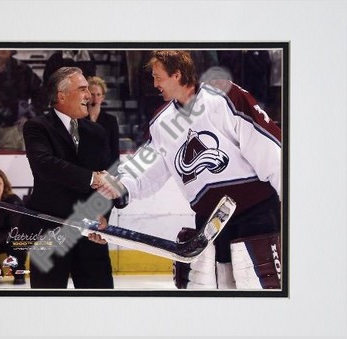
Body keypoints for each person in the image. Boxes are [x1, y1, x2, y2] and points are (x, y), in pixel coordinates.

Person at [94, 50, 282, 290]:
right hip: (210, 225)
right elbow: (146, 167)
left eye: (158, 77)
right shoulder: (162, 122)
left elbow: (269, 149)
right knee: (219, 292)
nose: (154, 84)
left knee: (260, 294)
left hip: (255, 216)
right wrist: (119, 187)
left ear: (177, 74)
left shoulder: (223, 97)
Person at [21, 66, 114, 289]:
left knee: (100, 307)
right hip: (50, 235)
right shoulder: (37, 127)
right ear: (62, 96)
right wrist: (92, 177)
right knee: (46, 310)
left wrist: (103, 216)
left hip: (90, 236)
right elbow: (44, 165)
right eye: (82, 89)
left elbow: (108, 179)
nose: (89, 95)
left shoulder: (97, 132)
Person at [0, 50, 47, 151]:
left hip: (12, 130)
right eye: (0, 45)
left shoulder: (23, 70)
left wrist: (29, 116)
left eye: (7, 46)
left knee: (9, 164)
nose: (4, 49)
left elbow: (41, 95)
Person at [87, 76, 120, 172]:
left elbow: (115, 150)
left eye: (98, 94)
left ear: (103, 97)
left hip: (105, 171)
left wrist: (111, 173)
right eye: (92, 94)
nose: (95, 98)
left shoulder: (111, 120)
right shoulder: (78, 119)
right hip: (84, 172)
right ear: (87, 96)